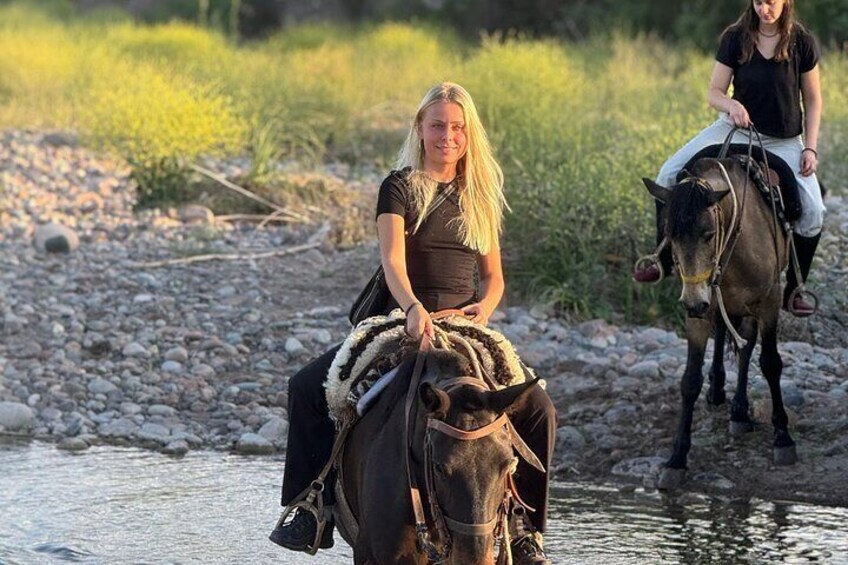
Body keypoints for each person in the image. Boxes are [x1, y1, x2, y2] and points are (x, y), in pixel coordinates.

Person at [269, 82, 557, 564]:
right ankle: (310, 506)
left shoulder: (479, 194)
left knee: (540, 410)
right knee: (306, 388)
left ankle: (527, 529)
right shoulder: (400, 186)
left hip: (465, 324)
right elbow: (392, 263)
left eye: (458, 127)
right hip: (404, 317)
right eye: (439, 125)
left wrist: (484, 309)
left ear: (469, 134)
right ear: (421, 129)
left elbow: (494, 279)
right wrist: (411, 308)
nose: (449, 135)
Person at [633, 0, 825, 316]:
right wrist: (731, 106)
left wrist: (810, 148)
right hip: (734, 130)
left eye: (773, 1)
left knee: (814, 211)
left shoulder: (802, 41)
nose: (766, 8)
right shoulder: (736, 37)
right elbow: (713, 92)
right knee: (668, 174)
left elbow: (814, 100)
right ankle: (663, 260)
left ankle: (795, 289)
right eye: (760, 1)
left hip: (784, 141)